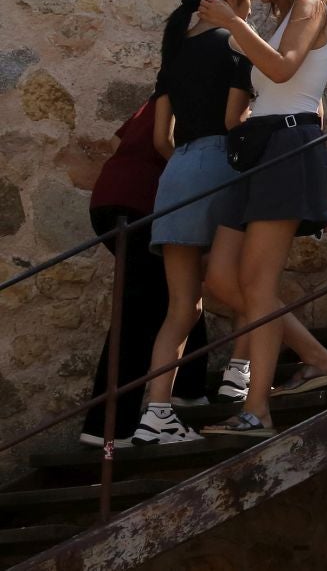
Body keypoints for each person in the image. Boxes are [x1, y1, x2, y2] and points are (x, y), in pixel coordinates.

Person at [196, 0, 327, 438]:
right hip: (264, 149)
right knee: (220, 278)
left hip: (285, 146)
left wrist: (234, 25)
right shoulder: (281, 19)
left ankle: (256, 411)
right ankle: (316, 356)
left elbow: (284, 72)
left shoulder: (309, 8)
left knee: (257, 286)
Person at [130, 0, 262, 445]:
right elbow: (233, 120)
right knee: (250, 283)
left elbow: (161, 137)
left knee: (182, 306)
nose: (250, 4)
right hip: (220, 165)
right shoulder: (235, 43)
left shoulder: (175, 51)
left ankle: (156, 413)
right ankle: (240, 376)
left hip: (177, 171)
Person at [82, 93, 211, 446]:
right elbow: (169, 145)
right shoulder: (204, 94)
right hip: (142, 203)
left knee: (172, 294)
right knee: (144, 308)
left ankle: (190, 389)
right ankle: (107, 427)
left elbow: (116, 142)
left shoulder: (164, 94)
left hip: (108, 200)